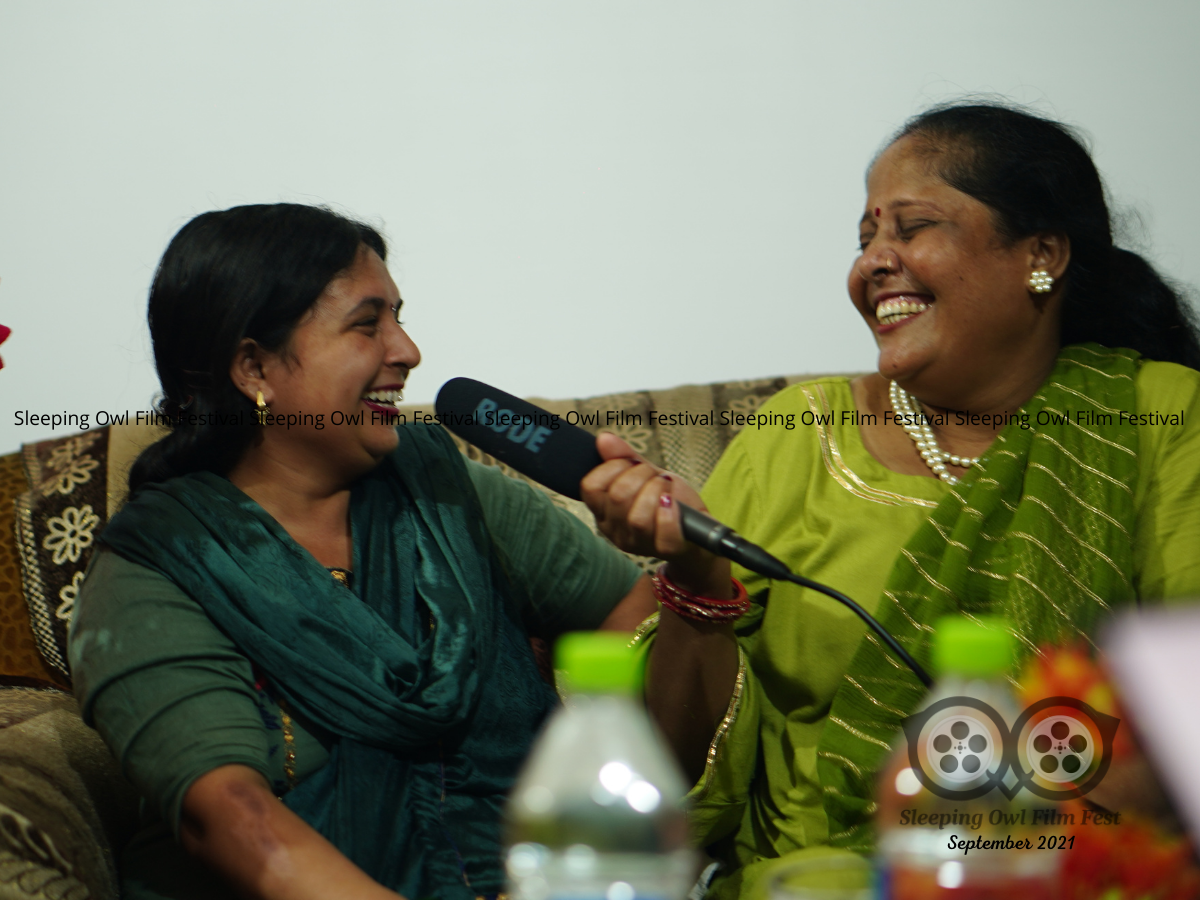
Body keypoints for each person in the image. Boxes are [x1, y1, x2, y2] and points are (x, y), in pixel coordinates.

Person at [581, 102, 1200, 899]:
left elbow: (1183, 712)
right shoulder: (796, 438)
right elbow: (663, 777)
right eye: (865, 238)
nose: (873, 262)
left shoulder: (1156, 416)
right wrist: (698, 580)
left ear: (1040, 255)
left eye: (913, 227)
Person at [68, 203, 657, 900]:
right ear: (254, 367)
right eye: (367, 324)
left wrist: (695, 577)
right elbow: (230, 817)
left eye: (398, 319)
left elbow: (633, 619)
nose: (407, 352)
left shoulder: (446, 495)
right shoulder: (158, 567)